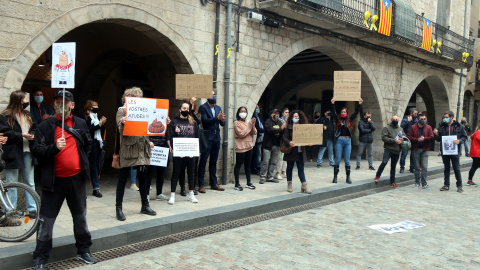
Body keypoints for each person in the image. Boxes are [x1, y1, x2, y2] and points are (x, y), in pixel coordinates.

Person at [32, 90, 97, 268]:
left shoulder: (81, 123)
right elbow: (36, 151)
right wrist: (54, 147)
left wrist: (82, 160)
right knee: (46, 222)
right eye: (58, 101)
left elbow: (88, 142)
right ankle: (40, 258)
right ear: (54, 104)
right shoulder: (45, 126)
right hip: (53, 183)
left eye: (66, 102)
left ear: (72, 105)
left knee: (80, 219)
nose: (62, 104)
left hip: (76, 180)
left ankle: (83, 250)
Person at [115, 87, 156, 221]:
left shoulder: (144, 111)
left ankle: (145, 205)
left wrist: (162, 122)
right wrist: (122, 123)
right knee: (122, 179)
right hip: (129, 150)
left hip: (142, 150)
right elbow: (120, 130)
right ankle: (119, 208)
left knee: (143, 180)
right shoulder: (122, 111)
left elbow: (148, 127)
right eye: (136, 98)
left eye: (140, 98)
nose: (139, 100)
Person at [0, 90, 38, 218]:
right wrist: (21, 135)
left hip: (28, 151)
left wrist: (32, 135)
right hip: (13, 152)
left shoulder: (27, 114)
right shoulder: (5, 115)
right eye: (25, 99)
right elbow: (4, 133)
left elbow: (34, 127)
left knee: (30, 181)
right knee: (12, 182)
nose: (27, 101)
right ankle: (10, 210)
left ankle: (32, 209)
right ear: (18, 100)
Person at [167, 102, 199, 204]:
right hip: (179, 152)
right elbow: (171, 137)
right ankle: (172, 195)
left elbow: (196, 137)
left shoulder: (192, 122)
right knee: (176, 173)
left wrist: (194, 151)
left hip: (190, 153)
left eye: (187, 108)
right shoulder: (174, 122)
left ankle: (191, 194)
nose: (185, 109)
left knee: (191, 173)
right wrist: (175, 150)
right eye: (184, 108)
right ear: (180, 109)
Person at [197, 91, 225, 192]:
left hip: (216, 138)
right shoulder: (203, 107)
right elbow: (205, 121)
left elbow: (223, 124)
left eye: (215, 94)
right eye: (211, 94)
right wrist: (216, 118)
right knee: (203, 161)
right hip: (207, 138)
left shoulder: (218, 108)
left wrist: (222, 120)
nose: (213, 96)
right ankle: (201, 184)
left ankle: (214, 183)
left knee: (214, 161)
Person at [434, 111, 467, 193]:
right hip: (445, 151)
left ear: (451, 117)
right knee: (446, 168)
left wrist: (459, 141)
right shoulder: (441, 126)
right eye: (444, 117)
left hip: (454, 150)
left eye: (447, 117)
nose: (445, 118)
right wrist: (435, 134)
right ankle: (446, 185)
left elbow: (464, 137)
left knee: (456, 168)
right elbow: (438, 139)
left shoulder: (459, 126)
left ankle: (459, 186)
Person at [331, 98, 362, 184]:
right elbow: (333, 113)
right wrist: (333, 104)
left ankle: (348, 177)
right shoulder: (338, 120)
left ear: (347, 113)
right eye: (342, 112)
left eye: (345, 112)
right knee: (337, 159)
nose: (343, 113)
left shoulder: (349, 120)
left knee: (347, 160)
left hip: (348, 140)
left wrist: (359, 104)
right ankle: (335, 177)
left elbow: (356, 113)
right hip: (339, 140)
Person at [282, 110, 312, 194]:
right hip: (291, 150)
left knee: (301, 169)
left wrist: (309, 143)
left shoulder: (304, 127)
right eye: (294, 116)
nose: (296, 118)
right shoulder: (289, 126)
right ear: (291, 117)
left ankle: (304, 185)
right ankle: (289, 184)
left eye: (297, 117)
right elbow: (284, 137)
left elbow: (307, 137)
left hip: (300, 151)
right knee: (290, 168)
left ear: (300, 118)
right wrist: (289, 142)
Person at [83, 100, 107, 198]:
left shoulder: (96, 117)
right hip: (88, 144)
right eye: (94, 106)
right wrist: (99, 124)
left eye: (97, 105)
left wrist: (101, 124)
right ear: (89, 107)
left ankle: (96, 188)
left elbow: (102, 130)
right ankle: (82, 190)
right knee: (85, 166)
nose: (96, 107)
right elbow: (88, 131)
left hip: (96, 144)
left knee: (94, 166)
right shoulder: (86, 118)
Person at [373, 115, 404, 187]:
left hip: (397, 150)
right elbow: (384, 138)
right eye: (394, 119)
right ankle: (377, 175)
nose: (395, 121)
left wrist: (402, 140)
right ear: (391, 120)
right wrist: (394, 140)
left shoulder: (400, 129)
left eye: (397, 119)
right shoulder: (386, 128)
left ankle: (392, 181)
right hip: (389, 149)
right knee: (384, 162)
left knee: (393, 166)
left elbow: (404, 136)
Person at [407, 114, 434, 189]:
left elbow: (431, 137)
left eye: (425, 118)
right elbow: (409, 136)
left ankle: (424, 183)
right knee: (417, 167)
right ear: (418, 120)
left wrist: (424, 138)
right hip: (415, 149)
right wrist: (417, 139)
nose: (424, 120)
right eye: (422, 119)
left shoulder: (428, 127)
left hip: (425, 149)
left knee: (425, 167)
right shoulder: (413, 127)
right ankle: (417, 182)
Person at [233, 106, 257, 191]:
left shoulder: (248, 122)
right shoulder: (236, 123)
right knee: (238, 165)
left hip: (249, 146)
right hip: (241, 147)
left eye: (244, 111)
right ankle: (237, 183)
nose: (243, 113)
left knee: (248, 165)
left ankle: (249, 182)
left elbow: (254, 132)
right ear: (238, 113)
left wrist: (253, 124)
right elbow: (241, 134)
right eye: (241, 111)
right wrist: (250, 125)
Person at [260, 109, 284, 184]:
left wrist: (283, 128)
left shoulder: (280, 122)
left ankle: (270, 176)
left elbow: (283, 132)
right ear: (271, 115)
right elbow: (271, 130)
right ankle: (263, 176)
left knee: (273, 162)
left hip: (276, 145)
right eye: (275, 113)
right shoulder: (268, 121)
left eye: (278, 113)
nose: (277, 115)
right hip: (268, 145)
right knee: (266, 161)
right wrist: (281, 128)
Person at [400, 107, 418, 173]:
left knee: (413, 154)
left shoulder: (416, 120)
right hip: (406, 139)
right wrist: (408, 121)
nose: (416, 114)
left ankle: (412, 167)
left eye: (417, 113)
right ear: (411, 113)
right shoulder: (406, 119)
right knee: (404, 154)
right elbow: (401, 126)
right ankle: (402, 167)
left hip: (414, 139)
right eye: (415, 113)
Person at [275, 107, 289, 180]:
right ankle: (278, 172)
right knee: (280, 158)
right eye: (286, 112)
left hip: (287, 142)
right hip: (281, 142)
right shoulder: (280, 120)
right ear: (283, 113)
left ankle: (283, 171)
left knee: (285, 158)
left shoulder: (289, 121)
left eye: (288, 112)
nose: (287, 114)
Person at [250, 105, 264, 175]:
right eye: (256, 108)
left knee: (258, 153)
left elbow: (262, 125)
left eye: (258, 108)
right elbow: (256, 127)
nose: (257, 109)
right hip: (256, 136)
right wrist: (262, 130)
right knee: (257, 154)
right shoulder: (253, 116)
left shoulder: (259, 116)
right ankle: (256, 168)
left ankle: (256, 168)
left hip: (261, 137)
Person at [466, 122, 480, 187]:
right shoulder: (478, 133)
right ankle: (469, 180)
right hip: (478, 153)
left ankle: (469, 180)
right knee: (474, 167)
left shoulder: (476, 133)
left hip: (475, 153)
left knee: (474, 167)